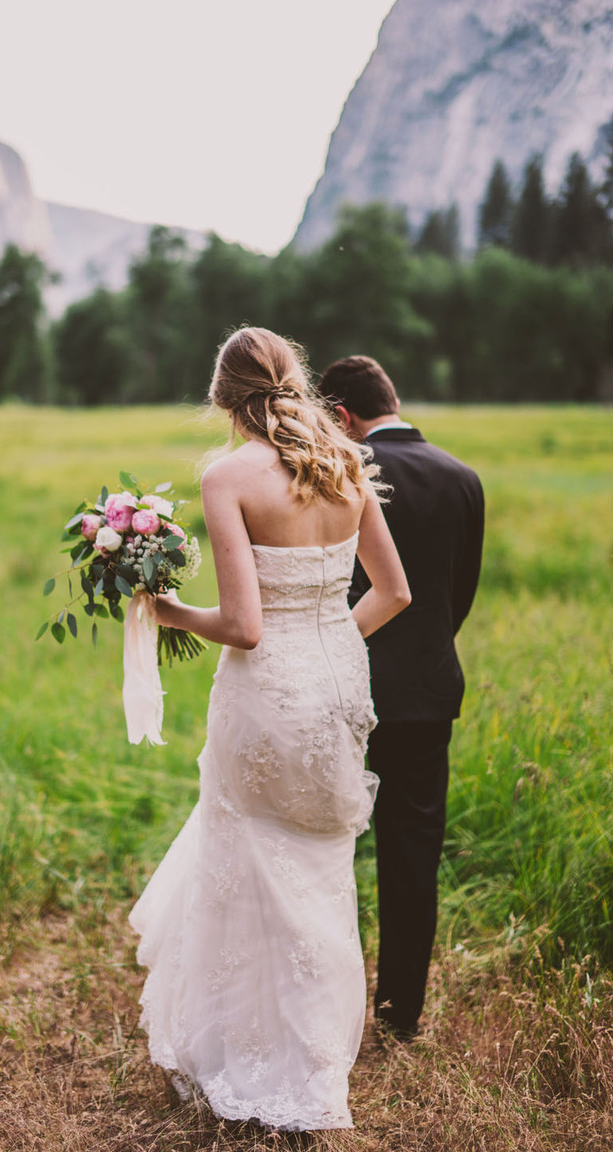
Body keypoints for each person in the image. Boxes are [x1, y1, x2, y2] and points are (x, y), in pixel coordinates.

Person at [129, 328, 410, 1131]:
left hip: (265, 696)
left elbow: (247, 628)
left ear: (221, 397)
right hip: (337, 687)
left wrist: (166, 610)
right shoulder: (345, 463)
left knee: (248, 859)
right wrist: (328, 646)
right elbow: (393, 593)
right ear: (297, 383)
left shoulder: (228, 476)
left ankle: (248, 1060)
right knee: (321, 872)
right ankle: (317, 1068)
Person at [318, 355, 484, 1041]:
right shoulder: (461, 478)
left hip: (342, 688)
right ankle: (399, 1014)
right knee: (413, 853)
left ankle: (326, 1007)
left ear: (341, 416)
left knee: (325, 848)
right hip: (426, 692)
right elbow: (459, 595)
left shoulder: (340, 479)